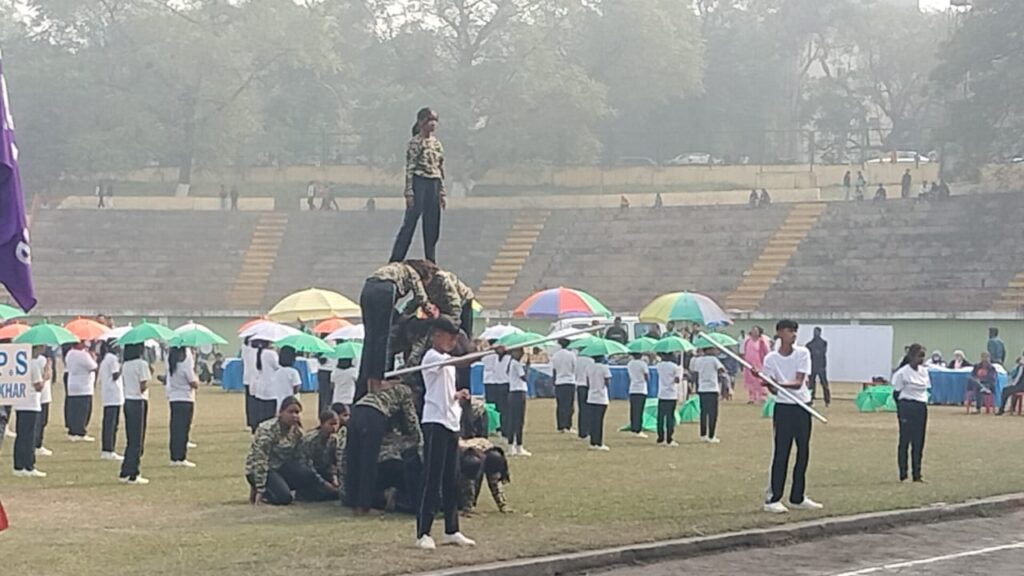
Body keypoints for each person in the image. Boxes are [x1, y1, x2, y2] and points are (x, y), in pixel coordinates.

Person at [416, 316, 476, 550]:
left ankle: (452, 530)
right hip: (435, 423)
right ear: (437, 335)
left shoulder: (447, 363)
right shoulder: (432, 357)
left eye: (455, 337)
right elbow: (461, 361)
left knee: (452, 478)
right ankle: (423, 532)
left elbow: (445, 391)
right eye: (449, 336)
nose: (452, 341)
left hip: (451, 422)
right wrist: (488, 353)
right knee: (432, 478)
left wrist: (458, 395)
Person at [761, 319, 822, 514]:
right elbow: (773, 391)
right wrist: (766, 381)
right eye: (789, 331)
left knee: (803, 451)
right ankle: (773, 498)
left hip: (802, 406)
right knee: (781, 452)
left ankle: (798, 497)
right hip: (783, 408)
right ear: (779, 333)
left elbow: (798, 383)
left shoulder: (803, 353)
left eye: (795, 331)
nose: (793, 334)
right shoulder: (770, 359)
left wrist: (775, 383)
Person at [357, 260, 437, 402]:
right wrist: (429, 309)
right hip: (385, 290)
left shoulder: (394, 268)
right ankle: (378, 381)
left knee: (370, 338)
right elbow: (420, 295)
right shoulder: (412, 271)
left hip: (368, 288)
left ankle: (369, 381)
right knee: (382, 338)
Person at [347, 378, 421, 516]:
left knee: (355, 459)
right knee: (369, 463)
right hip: (374, 414)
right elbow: (411, 419)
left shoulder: (387, 387)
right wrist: (419, 439)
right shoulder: (406, 391)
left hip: (357, 411)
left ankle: (352, 502)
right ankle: (365, 506)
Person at [246, 397, 334, 506]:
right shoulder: (267, 430)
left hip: (281, 467)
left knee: (307, 474)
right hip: (263, 470)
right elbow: (260, 460)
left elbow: (301, 459)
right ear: (281, 412)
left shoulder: (297, 432)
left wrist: (322, 482)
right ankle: (268, 493)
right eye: (290, 412)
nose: (294, 416)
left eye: (297, 412)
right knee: (284, 498)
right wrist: (259, 489)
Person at [391, 107, 446, 264]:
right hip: (419, 181)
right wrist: (409, 191)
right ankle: (396, 258)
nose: (433, 124)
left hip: (433, 183)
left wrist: (442, 192)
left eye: (435, 120)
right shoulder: (415, 143)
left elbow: (440, 168)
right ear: (421, 122)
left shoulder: (437, 144)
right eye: (430, 120)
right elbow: (410, 167)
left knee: (432, 223)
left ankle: (431, 259)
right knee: (411, 221)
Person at [892, 344, 930, 483]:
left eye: (923, 356)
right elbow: (896, 393)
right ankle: (903, 474)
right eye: (919, 356)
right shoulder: (902, 373)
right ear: (911, 356)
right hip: (907, 406)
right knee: (905, 440)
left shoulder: (924, 372)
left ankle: (917, 474)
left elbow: (926, 389)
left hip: (921, 406)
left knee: (919, 441)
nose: (921, 359)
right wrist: (901, 410)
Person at [119, 343, 152, 484]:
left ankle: (125, 470)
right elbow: (142, 386)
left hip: (128, 401)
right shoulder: (141, 364)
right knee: (138, 440)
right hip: (139, 401)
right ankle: (134, 473)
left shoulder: (126, 365)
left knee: (131, 439)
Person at [13, 344, 46, 478]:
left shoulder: (20, 362)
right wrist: (46, 375)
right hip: (31, 403)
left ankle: (18, 465)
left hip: (20, 403)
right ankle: (28, 465)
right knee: (29, 437)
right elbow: (38, 386)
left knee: (21, 435)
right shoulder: (33, 364)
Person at [299, 409, 345, 499]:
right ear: (322, 424)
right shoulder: (310, 440)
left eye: (336, 424)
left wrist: (334, 478)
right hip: (309, 474)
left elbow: (335, 462)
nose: (334, 427)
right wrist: (325, 484)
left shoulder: (334, 440)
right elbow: (306, 466)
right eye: (331, 424)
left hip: (324, 472)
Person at [458, 437, 511, 514]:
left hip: (478, 444)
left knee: (495, 458)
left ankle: (502, 503)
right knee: (471, 462)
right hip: (457, 445)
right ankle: (466, 505)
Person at [166, 347, 199, 468]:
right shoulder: (185, 366)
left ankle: (174, 456)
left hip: (174, 398)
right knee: (183, 429)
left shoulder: (171, 365)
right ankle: (180, 457)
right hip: (186, 399)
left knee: (175, 429)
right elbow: (193, 383)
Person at [690, 347, 725, 443]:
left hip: (702, 388)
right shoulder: (713, 359)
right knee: (713, 413)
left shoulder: (698, 360)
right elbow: (722, 369)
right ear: (708, 350)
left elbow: (694, 370)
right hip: (712, 388)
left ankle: (703, 434)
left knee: (703, 413)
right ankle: (711, 435)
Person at [65, 342, 98, 442]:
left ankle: (72, 431)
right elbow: (93, 366)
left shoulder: (70, 353)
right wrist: (93, 357)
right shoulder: (83, 355)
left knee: (74, 410)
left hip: (73, 384)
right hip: (84, 386)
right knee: (83, 411)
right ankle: (80, 432)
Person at [98, 340, 125, 461]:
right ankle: (108, 449)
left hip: (109, 394)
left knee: (109, 422)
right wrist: (122, 366)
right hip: (113, 394)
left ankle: (107, 449)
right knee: (112, 423)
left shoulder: (106, 358)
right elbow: (115, 375)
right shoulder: (112, 359)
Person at [504, 348, 530, 456]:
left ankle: (511, 445)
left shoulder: (511, 363)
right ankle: (518, 445)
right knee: (519, 420)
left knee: (513, 419)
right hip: (519, 392)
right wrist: (527, 367)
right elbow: (524, 377)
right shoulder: (516, 364)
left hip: (513, 392)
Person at [586, 352, 611, 451]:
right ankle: (598, 442)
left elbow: (587, 382)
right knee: (599, 421)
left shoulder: (589, 367)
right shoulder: (604, 368)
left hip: (591, 396)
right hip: (601, 397)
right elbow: (607, 381)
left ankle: (592, 442)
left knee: (593, 420)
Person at [654, 352, 681, 447]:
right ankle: (669, 438)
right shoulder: (675, 367)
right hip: (671, 394)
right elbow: (677, 380)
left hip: (662, 394)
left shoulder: (659, 366)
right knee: (670, 417)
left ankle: (660, 438)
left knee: (660, 417)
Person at [550, 338, 577, 433]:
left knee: (560, 405)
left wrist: (554, 382)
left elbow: (554, 370)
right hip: (569, 382)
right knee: (569, 405)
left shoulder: (555, 355)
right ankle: (568, 425)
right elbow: (575, 368)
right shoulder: (571, 355)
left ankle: (560, 426)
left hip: (559, 382)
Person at [252, 343, 280, 427]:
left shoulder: (260, 352)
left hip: (261, 386)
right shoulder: (271, 353)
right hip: (271, 386)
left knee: (262, 412)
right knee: (270, 412)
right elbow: (277, 366)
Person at [33, 348, 53, 458]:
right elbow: (47, 375)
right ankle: (37, 445)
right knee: (41, 421)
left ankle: (37, 444)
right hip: (43, 396)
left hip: (41, 396)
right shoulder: (41, 360)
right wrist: (49, 365)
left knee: (39, 421)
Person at [742, 327, 770, 404]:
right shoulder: (747, 341)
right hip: (749, 364)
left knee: (760, 380)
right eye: (753, 330)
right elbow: (744, 351)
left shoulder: (762, 341)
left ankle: (762, 396)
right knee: (750, 380)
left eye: (756, 331)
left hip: (759, 363)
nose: (754, 332)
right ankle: (752, 397)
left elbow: (766, 352)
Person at [269, 346, 302, 412]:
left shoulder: (277, 372)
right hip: (290, 401)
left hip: (278, 401)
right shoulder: (293, 372)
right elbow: (297, 388)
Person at [805, 327, 830, 407]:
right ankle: (810, 399)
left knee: (824, 384)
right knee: (811, 384)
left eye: (817, 332)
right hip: (812, 367)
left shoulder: (824, 343)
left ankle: (827, 400)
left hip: (821, 366)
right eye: (815, 332)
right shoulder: (809, 344)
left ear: (820, 333)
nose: (816, 333)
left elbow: (822, 352)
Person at [626, 352, 649, 438]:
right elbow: (647, 376)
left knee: (633, 410)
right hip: (641, 389)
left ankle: (633, 427)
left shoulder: (630, 364)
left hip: (632, 389)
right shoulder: (643, 364)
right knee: (639, 410)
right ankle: (638, 429)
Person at [574, 349, 594, 440]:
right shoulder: (590, 361)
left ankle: (582, 432)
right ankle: (588, 430)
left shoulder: (576, 360)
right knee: (589, 410)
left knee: (582, 410)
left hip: (579, 385)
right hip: (588, 386)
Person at [241, 338, 259, 433]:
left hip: (250, 379)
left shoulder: (246, 349)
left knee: (250, 403)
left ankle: (251, 422)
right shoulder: (248, 349)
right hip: (252, 379)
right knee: (252, 403)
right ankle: (251, 422)